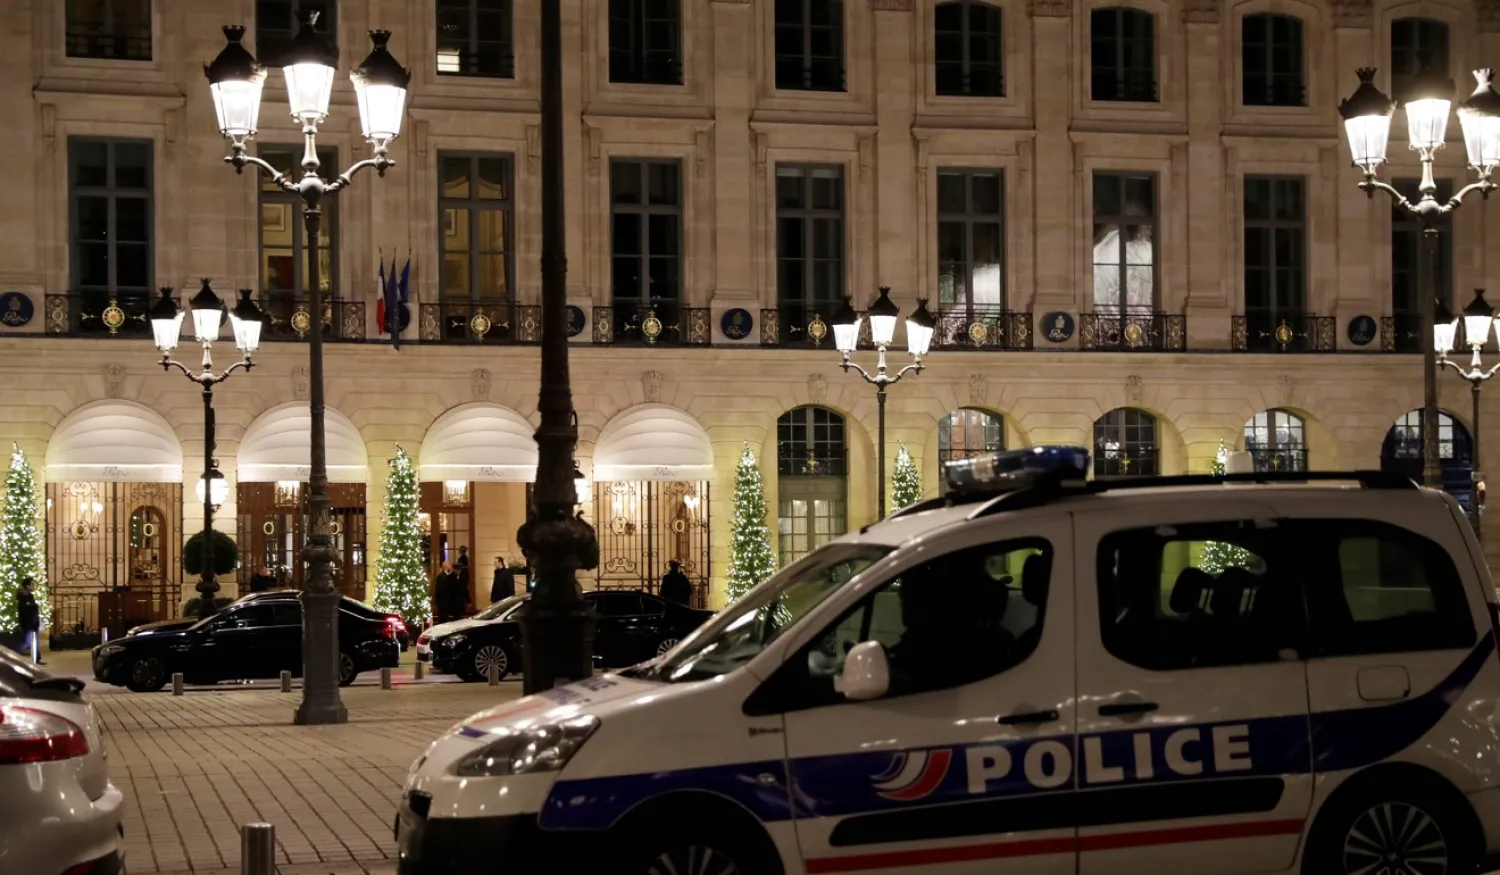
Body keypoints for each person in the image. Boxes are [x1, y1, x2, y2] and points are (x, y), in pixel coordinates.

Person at [17, 578, 40, 664]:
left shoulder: (29, 596)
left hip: (33, 623)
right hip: (29, 623)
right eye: (32, 584)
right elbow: (26, 610)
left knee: (35, 641)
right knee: (28, 642)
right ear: (27, 586)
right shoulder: (24, 597)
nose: (33, 586)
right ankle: (13, 653)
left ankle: (37, 659)